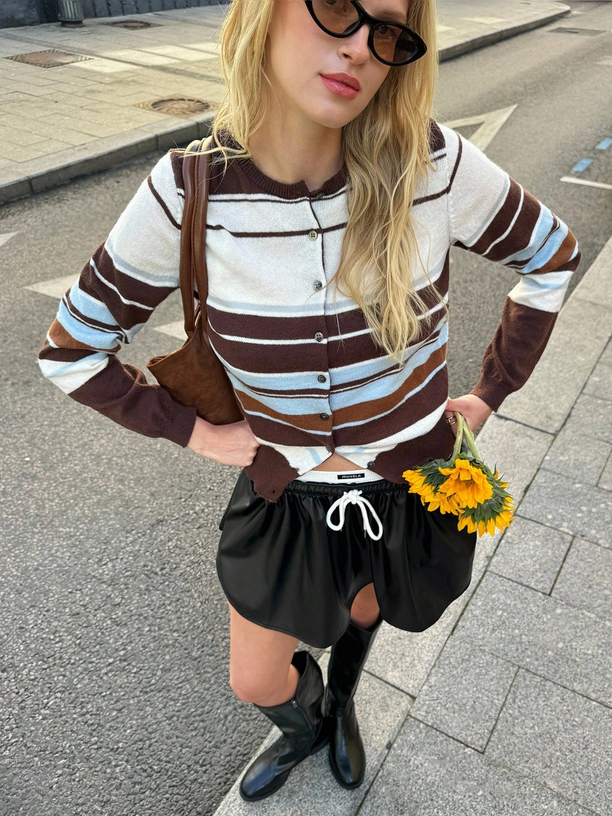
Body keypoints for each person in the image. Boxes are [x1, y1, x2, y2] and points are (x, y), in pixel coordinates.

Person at [37, 0, 581, 804]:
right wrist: (193, 432)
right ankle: (307, 720)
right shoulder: (189, 192)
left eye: (390, 31)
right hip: (284, 491)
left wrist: (489, 394)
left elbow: (553, 258)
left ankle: (348, 704)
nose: (363, 45)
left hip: (407, 484)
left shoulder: (432, 168)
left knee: (367, 612)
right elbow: (70, 351)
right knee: (254, 675)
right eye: (335, 7)